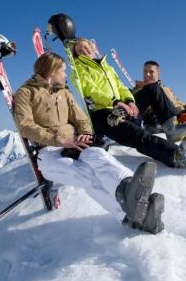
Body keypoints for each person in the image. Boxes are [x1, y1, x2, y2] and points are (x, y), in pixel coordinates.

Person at [13, 52, 164, 234]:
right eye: (63, 70)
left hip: (75, 144)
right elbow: (25, 126)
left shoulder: (63, 92)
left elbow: (81, 118)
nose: (65, 74)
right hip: (48, 151)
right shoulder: (26, 92)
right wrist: (61, 140)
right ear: (51, 70)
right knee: (86, 174)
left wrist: (84, 133)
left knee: (100, 156)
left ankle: (131, 189)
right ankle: (130, 217)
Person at [71, 38, 186, 172]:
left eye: (86, 46)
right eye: (80, 50)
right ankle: (175, 155)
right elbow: (90, 90)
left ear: (92, 47)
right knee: (137, 134)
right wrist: (115, 102)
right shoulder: (78, 68)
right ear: (77, 55)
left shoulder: (105, 66)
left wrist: (129, 101)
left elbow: (121, 87)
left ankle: (171, 129)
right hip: (104, 113)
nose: (85, 50)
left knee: (153, 88)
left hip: (122, 107)